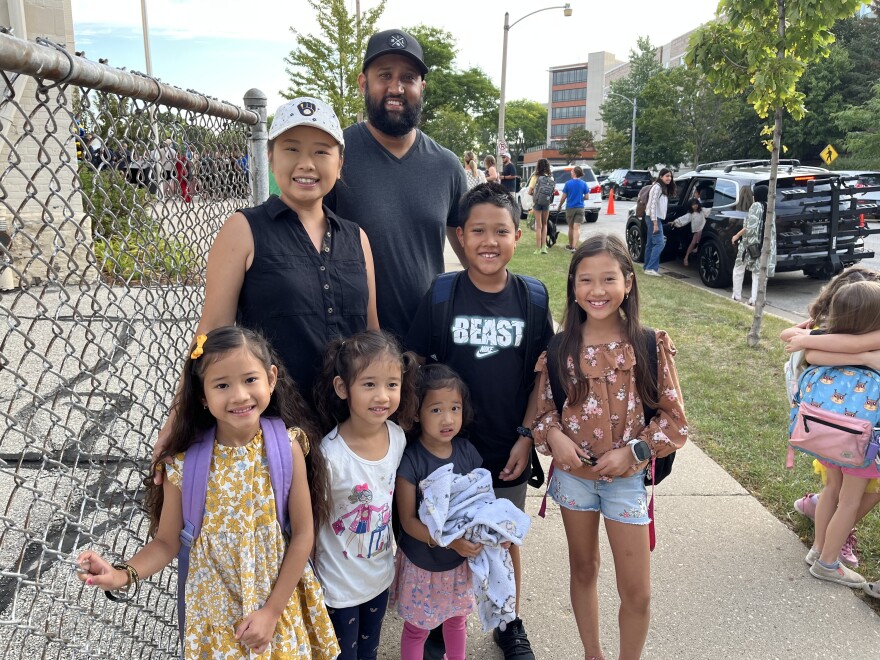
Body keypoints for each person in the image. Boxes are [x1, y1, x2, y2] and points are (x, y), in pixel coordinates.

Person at [75, 327, 340, 659]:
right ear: (202, 395)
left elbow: (302, 534)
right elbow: (167, 542)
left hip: (276, 609)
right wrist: (121, 574)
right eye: (222, 385)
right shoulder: (184, 466)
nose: (240, 395)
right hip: (216, 623)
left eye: (249, 379)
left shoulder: (288, 449)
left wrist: (271, 612)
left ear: (271, 378)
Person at [151, 97, 378, 481]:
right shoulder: (243, 229)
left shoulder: (357, 238)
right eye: (292, 149)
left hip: (350, 432)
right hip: (274, 432)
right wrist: (178, 420)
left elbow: (372, 336)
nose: (306, 163)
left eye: (321, 151)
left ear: (339, 163)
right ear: (270, 158)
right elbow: (211, 333)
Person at [406, 182, 555, 660]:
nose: (489, 241)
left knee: (501, 535)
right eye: (478, 231)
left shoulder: (531, 299)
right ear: (461, 237)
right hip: (445, 452)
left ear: (518, 235)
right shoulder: (441, 294)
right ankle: (436, 617)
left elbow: (541, 377)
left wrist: (527, 438)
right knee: (446, 533)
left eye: (501, 230)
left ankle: (507, 618)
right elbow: (413, 363)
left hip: (504, 446)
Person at [530, 234, 688, 660]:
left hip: (626, 483)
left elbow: (675, 423)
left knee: (636, 591)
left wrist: (633, 453)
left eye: (607, 279)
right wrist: (556, 437)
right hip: (574, 482)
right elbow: (543, 414)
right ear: (572, 286)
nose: (596, 291)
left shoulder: (648, 344)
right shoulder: (560, 348)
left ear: (628, 283)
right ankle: (592, 654)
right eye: (585, 280)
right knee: (583, 569)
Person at [326, 28, 468, 339]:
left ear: (422, 86)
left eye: (408, 77)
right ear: (364, 82)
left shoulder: (447, 165)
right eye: (385, 76)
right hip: (355, 344)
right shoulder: (336, 156)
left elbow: (474, 256)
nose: (396, 87)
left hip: (429, 342)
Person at [312, 330, 419, 660]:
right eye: (369, 384)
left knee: (369, 652)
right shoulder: (329, 456)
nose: (382, 396)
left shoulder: (398, 437)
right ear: (343, 388)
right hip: (338, 586)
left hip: (379, 576)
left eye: (391, 384)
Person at [781, 266, 880, 570]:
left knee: (831, 491)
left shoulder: (825, 343)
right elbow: (855, 349)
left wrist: (809, 336)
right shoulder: (869, 347)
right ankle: (827, 564)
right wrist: (865, 358)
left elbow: (809, 352)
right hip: (862, 441)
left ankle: (818, 549)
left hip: (825, 435)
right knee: (849, 502)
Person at [391, 363, 483, 660]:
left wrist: (494, 535)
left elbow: (483, 505)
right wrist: (449, 540)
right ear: (416, 412)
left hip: (458, 563)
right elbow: (407, 522)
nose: (448, 418)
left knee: (457, 621)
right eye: (436, 410)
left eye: (455, 408)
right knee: (417, 629)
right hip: (422, 564)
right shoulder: (412, 459)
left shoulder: (468, 452)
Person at [731, 185, 773, 304]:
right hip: (764, 244)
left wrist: (737, 236)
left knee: (739, 268)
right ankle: (755, 300)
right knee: (758, 272)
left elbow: (750, 227)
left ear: (756, 195)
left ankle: (737, 295)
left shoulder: (756, 206)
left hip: (750, 244)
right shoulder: (770, 208)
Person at [643, 168, 675, 276]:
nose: (669, 178)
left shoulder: (662, 187)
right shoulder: (657, 187)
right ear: (661, 176)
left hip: (654, 218)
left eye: (670, 176)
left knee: (651, 243)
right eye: (667, 176)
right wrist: (655, 222)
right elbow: (652, 205)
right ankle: (651, 268)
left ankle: (647, 267)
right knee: (660, 243)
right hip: (653, 218)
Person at [558, 166, 588, 253]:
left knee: (571, 227)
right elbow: (587, 196)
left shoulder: (568, 184)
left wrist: (560, 205)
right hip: (580, 207)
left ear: (575, 173)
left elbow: (563, 197)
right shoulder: (584, 184)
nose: (571, 172)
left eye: (572, 171)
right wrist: (581, 198)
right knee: (577, 228)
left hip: (570, 208)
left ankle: (571, 245)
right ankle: (575, 247)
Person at [527, 158, 553, 255]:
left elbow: (530, 191)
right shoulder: (550, 178)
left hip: (537, 203)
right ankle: (543, 247)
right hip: (546, 203)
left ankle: (537, 249)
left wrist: (535, 194)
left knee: (539, 226)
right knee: (545, 224)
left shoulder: (535, 177)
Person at [671, 198, 707, 267]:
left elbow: (709, 211)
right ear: (690, 206)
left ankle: (696, 248)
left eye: (696, 204)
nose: (695, 206)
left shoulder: (702, 211)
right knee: (693, 243)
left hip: (702, 228)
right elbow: (683, 219)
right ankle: (686, 257)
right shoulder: (691, 214)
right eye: (693, 205)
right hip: (696, 230)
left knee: (696, 238)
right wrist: (675, 222)